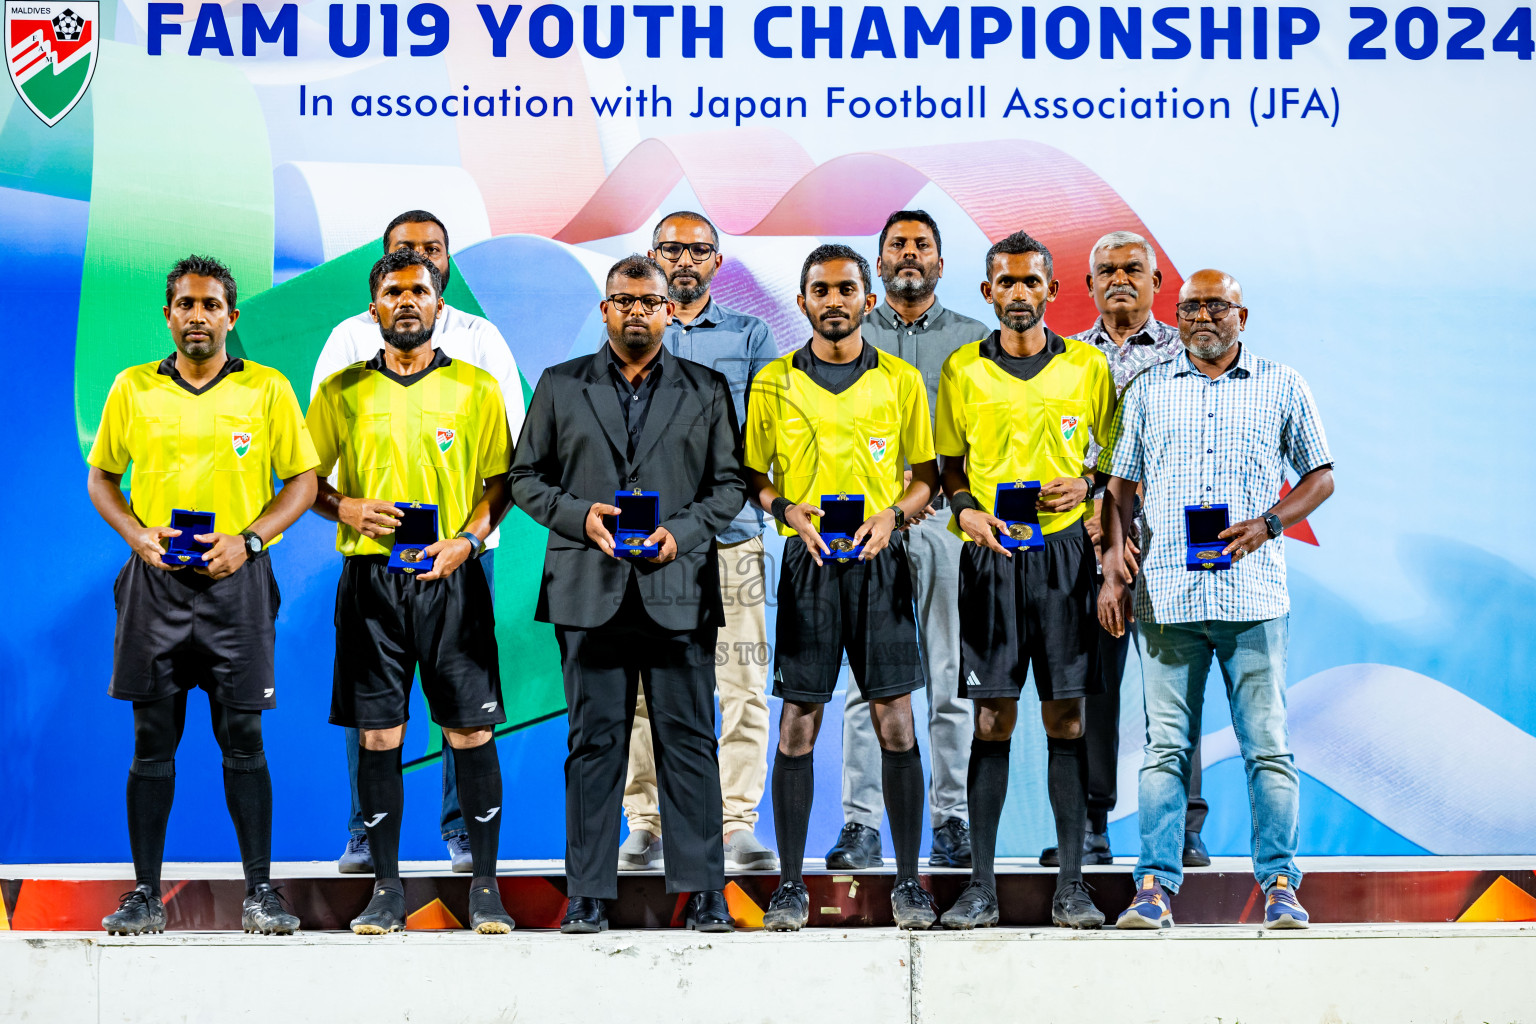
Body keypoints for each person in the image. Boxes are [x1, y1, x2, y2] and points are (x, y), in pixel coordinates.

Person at [510, 255, 746, 934]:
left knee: (690, 741)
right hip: (589, 587)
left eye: (649, 301)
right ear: (606, 311)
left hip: (677, 586)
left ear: (670, 311)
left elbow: (727, 486)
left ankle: (703, 889)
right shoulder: (560, 386)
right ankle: (588, 893)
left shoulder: (705, 388)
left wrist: (682, 533)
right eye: (622, 300)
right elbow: (526, 478)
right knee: (594, 744)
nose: (636, 311)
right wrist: (580, 518)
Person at [88, 255, 319, 936]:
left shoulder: (268, 389)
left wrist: (248, 541)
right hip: (154, 585)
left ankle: (260, 893)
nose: (197, 316)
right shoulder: (133, 388)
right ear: (168, 315)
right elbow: (103, 478)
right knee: (152, 738)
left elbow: (302, 482)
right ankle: (144, 895)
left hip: (237, 585)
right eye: (185, 305)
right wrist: (137, 535)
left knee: (242, 736)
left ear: (231, 317)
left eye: (211, 305)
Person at [1098, 269, 1335, 931]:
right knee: (1164, 750)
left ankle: (1282, 885)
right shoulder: (1148, 389)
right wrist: (1114, 568)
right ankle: (1152, 887)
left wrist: (1268, 525)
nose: (1202, 316)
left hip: (1253, 599)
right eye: (1190, 306)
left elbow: (1321, 475)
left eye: (1215, 305)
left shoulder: (1283, 385)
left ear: (1243, 314)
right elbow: (1117, 488)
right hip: (1168, 597)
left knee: (1267, 746)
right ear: (1176, 316)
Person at [307, 249, 515, 935]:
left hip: (450, 578)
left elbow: (500, 485)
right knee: (379, 734)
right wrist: (345, 508)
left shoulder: (478, 389)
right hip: (371, 583)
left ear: (437, 305)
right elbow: (307, 482)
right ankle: (387, 889)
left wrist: (469, 542)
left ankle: (484, 887)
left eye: (418, 291)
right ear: (374, 308)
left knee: (469, 728)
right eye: (392, 292)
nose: (405, 301)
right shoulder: (341, 391)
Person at [745, 244, 941, 931]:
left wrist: (894, 515)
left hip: (880, 560)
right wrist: (785, 512)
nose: (834, 300)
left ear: (867, 299)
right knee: (799, 724)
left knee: (895, 721)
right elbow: (751, 474)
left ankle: (910, 883)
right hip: (810, 563)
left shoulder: (900, 381)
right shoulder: (772, 382)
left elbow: (928, 476)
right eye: (821, 290)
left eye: (847, 289)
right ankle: (791, 887)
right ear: (803, 302)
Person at [930, 232, 1115, 930]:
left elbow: (1118, 458)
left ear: (1051, 290)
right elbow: (947, 465)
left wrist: (1090, 485)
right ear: (987, 292)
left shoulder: (1088, 367)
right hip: (993, 561)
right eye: (1004, 283)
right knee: (990, 716)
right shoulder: (961, 370)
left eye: (1029, 283)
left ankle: (1071, 888)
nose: (1017, 294)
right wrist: (967, 512)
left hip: (1066, 561)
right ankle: (980, 888)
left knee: (1065, 716)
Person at [1041, 230, 1212, 869]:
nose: (1120, 279)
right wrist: (1095, 530)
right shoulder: (1065, 359)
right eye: (1106, 270)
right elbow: (1064, 458)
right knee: (1093, 690)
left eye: (1133, 269)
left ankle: (1185, 829)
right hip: (1087, 551)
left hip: (1170, 552)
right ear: (1087, 286)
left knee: (1175, 690)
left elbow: (1204, 450)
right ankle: (1091, 826)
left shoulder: (1187, 356)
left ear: (1156, 282)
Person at [618, 211, 780, 873]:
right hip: (645, 541)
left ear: (718, 262)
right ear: (651, 255)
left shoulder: (751, 336)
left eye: (698, 251)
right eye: (671, 249)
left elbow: (767, 437)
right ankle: (647, 823)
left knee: (740, 684)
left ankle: (735, 822)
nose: (684, 260)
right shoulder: (625, 335)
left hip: (731, 536)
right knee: (639, 690)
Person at [828, 210, 988, 871]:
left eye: (922, 244)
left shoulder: (976, 339)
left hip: (950, 529)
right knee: (869, 684)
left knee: (951, 682)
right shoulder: (846, 335)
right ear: (879, 263)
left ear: (942, 264)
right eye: (897, 244)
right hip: (871, 534)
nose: (910, 253)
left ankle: (952, 821)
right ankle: (862, 825)